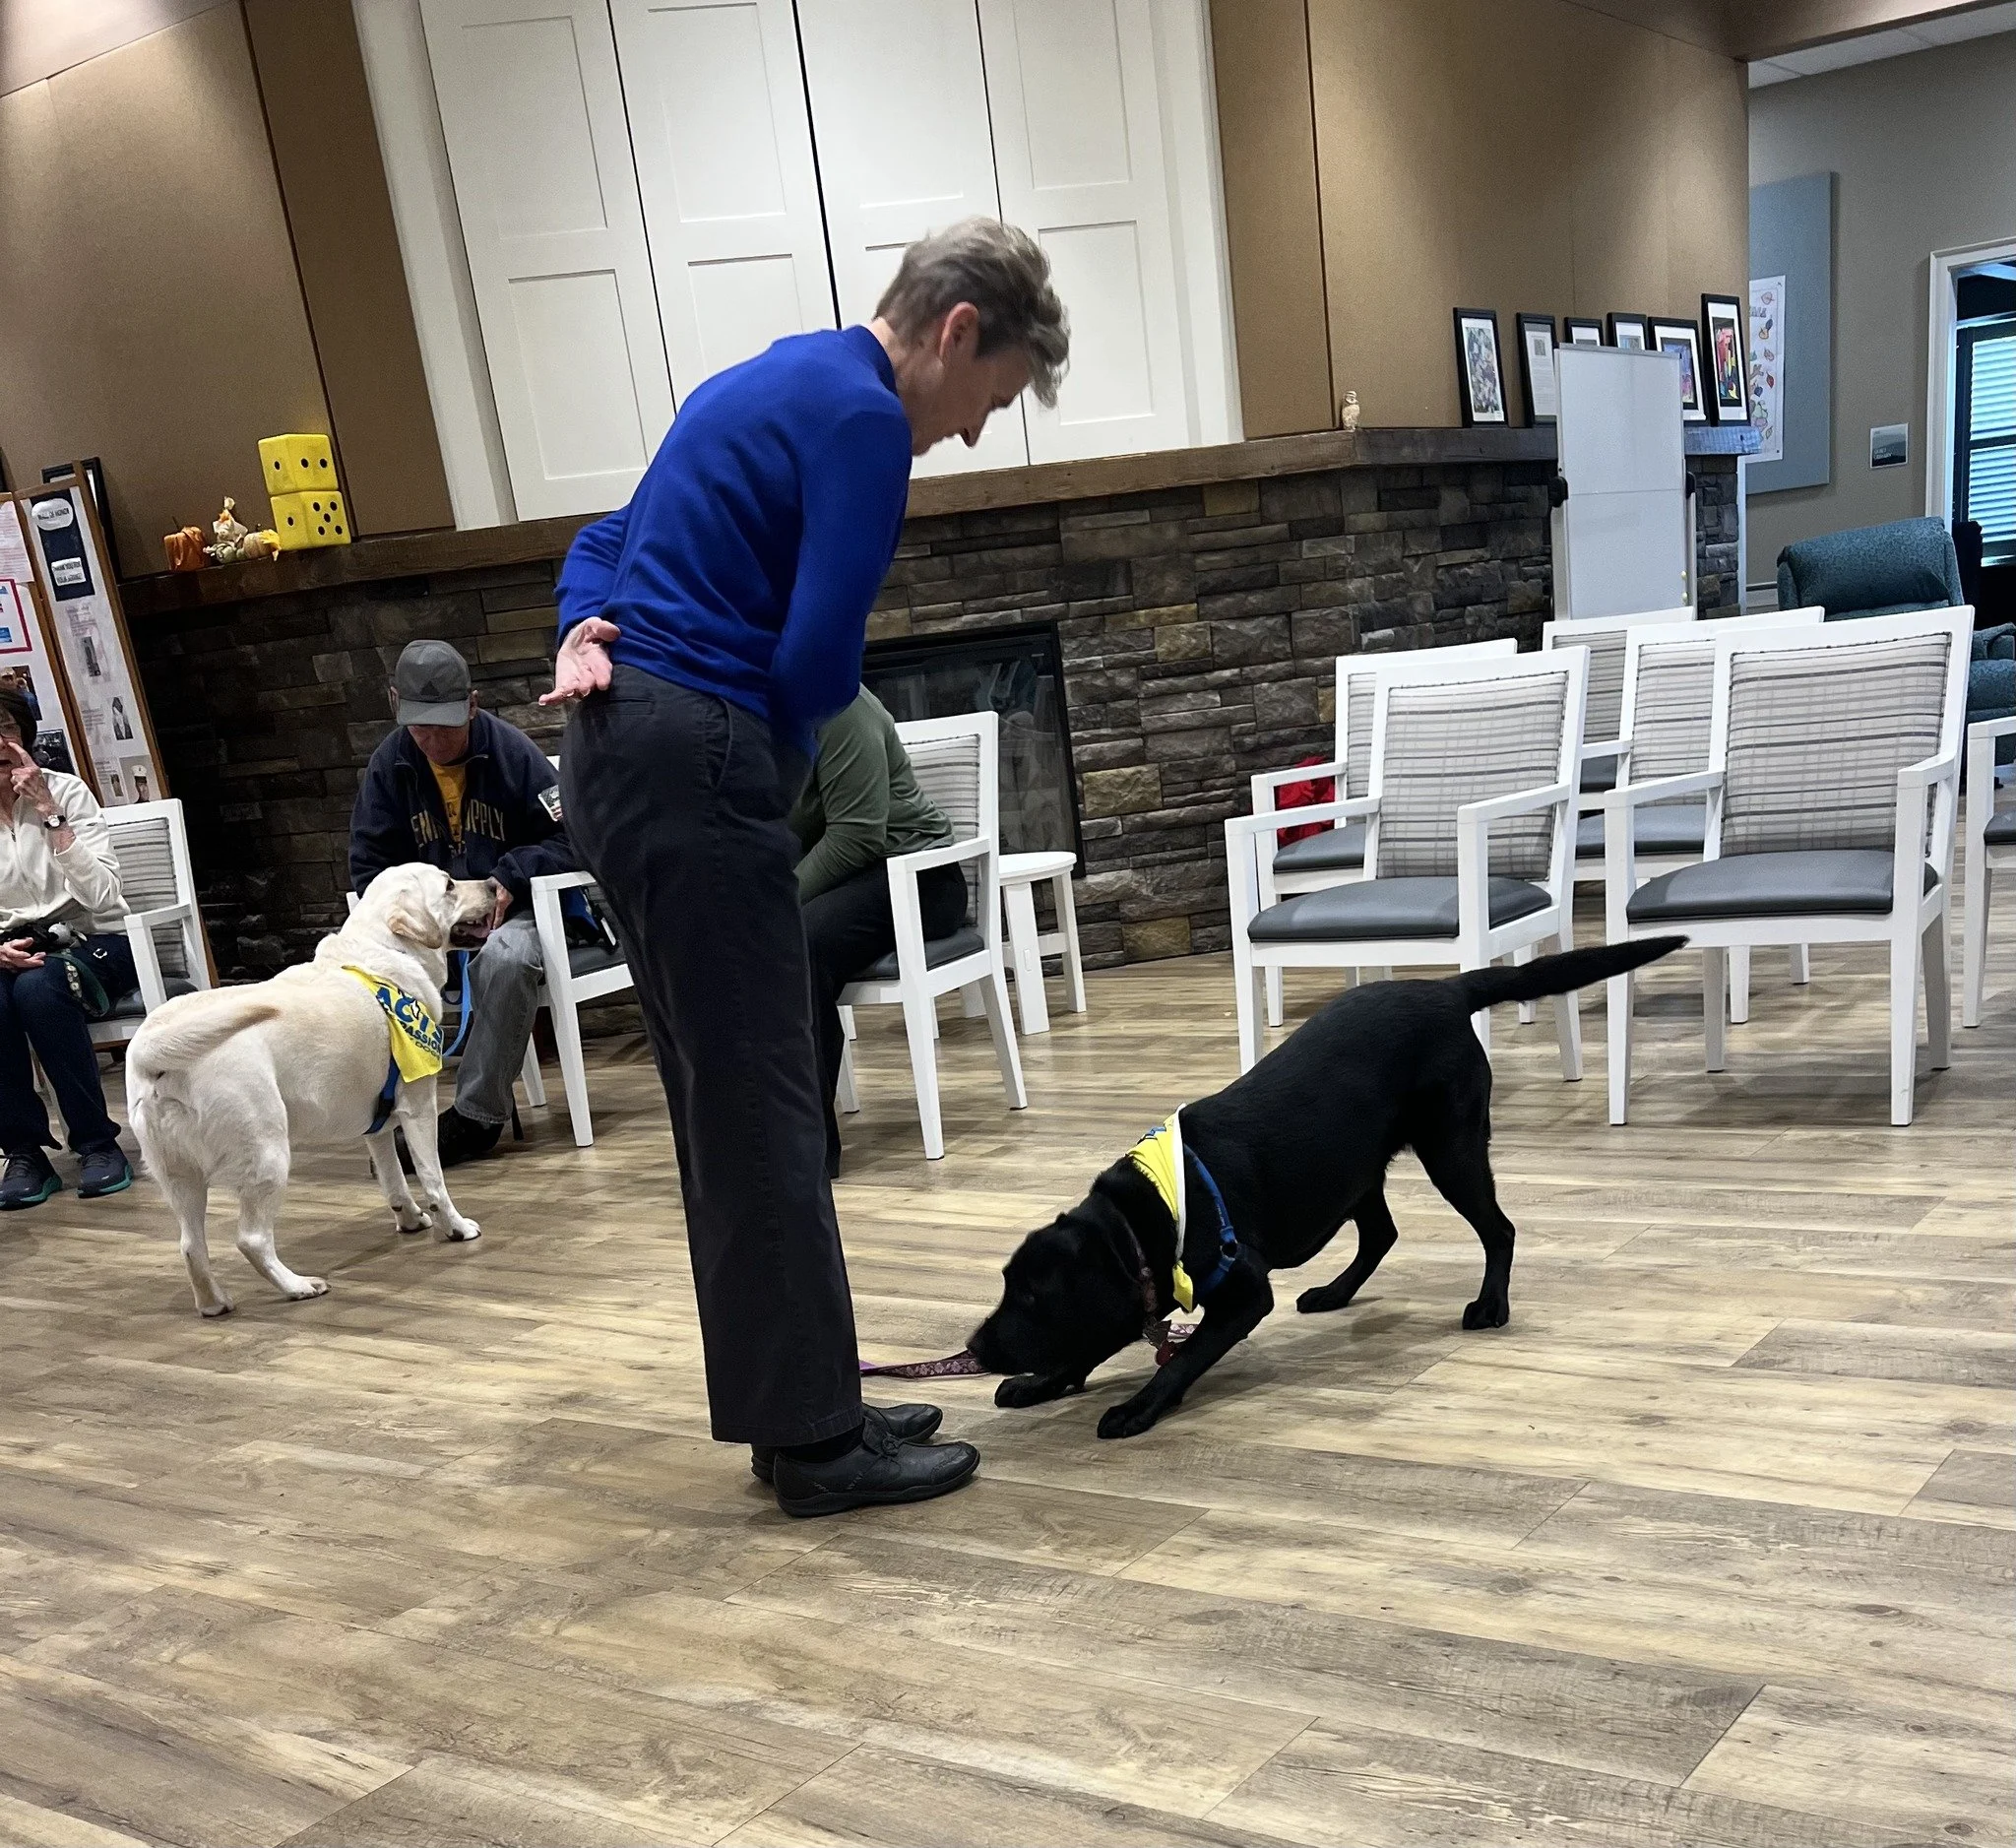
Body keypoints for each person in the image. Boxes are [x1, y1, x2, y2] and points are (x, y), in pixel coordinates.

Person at [544, 218, 1067, 1517]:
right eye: (991, 397)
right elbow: (824, 660)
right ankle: (821, 1447)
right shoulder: (860, 421)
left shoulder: (759, 379)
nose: (975, 431)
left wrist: (580, 635)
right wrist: (760, 762)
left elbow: (602, 543)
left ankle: (804, 1411)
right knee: (767, 1109)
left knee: (732, 1111)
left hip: (624, 753)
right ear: (956, 332)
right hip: (697, 757)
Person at [349, 639, 576, 1166]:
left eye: (445, 724)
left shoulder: (514, 752)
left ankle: (475, 1117)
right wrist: (421, 928)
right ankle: (394, 1115)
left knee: (508, 957)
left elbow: (571, 839)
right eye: (418, 725)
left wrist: (511, 875)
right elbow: (369, 871)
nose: (430, 738)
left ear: (473, 704)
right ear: (394, 704)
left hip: (513, 911)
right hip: (430, 926)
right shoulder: (389, 767)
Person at [794, 687, 964, 1179]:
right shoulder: (756, 719)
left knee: (798, 943)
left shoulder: (839, 705)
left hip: (919, 876)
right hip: (848, 881)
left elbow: (857, 835)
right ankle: (760, 1128)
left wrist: (773, 904)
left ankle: (807, 1148)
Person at [0, 688, 135, 1208]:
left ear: (26, 737)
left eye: (7, 730)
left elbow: (102, 895)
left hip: (93, 940)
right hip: (10, 949)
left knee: (38, 989)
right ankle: (24, 1151)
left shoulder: (67, 792)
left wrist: (48, 811)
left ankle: (98, 1143)